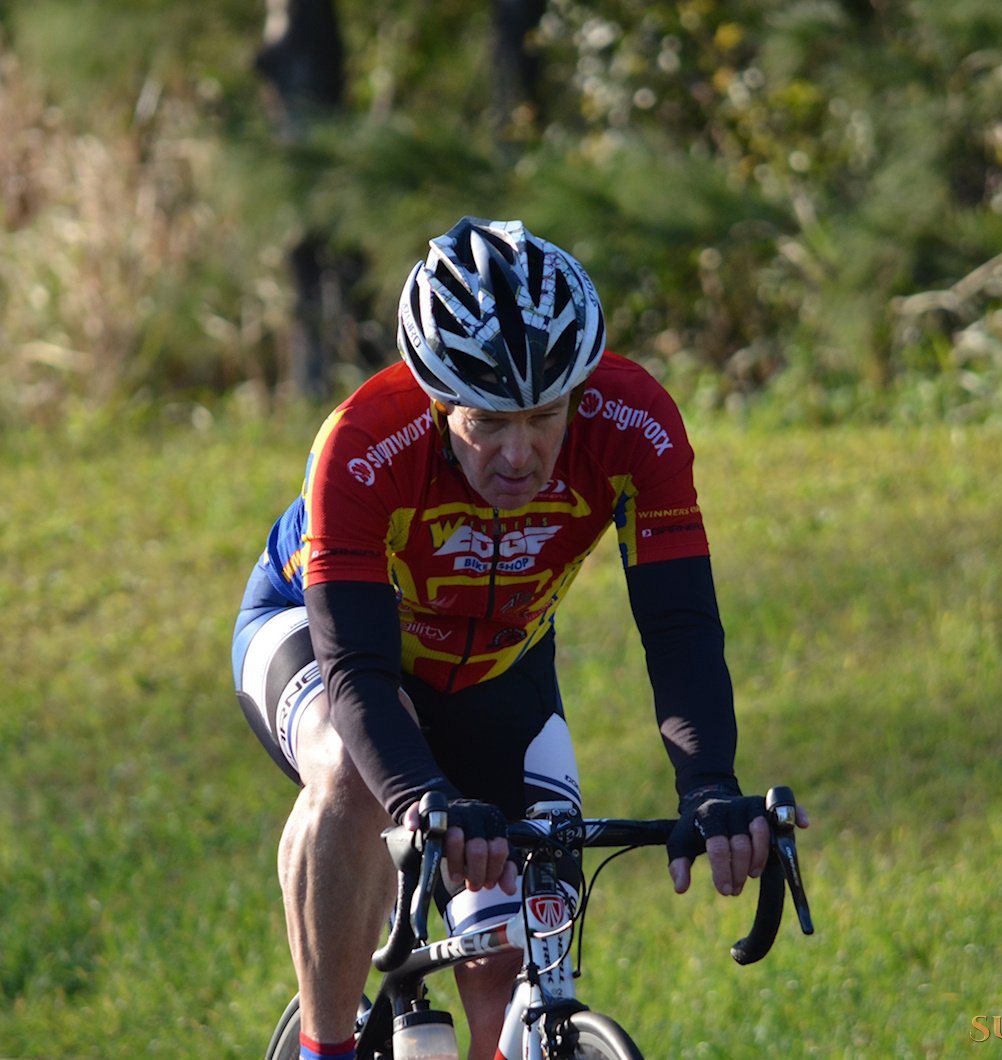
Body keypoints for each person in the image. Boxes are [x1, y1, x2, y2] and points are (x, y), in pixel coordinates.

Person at [233, 217, 804, 1060]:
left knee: (510, 965)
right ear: (435, 400)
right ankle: (327, 1049)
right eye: (486, 422)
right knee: (350, 771)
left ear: (581, 391)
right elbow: (354, 669)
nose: (519, 452)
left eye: (544, 417)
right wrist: (422, 796)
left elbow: (679, 627)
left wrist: (709, 785)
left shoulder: (636, 423)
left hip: (500, 663)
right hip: (319, 636)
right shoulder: (362, 444)